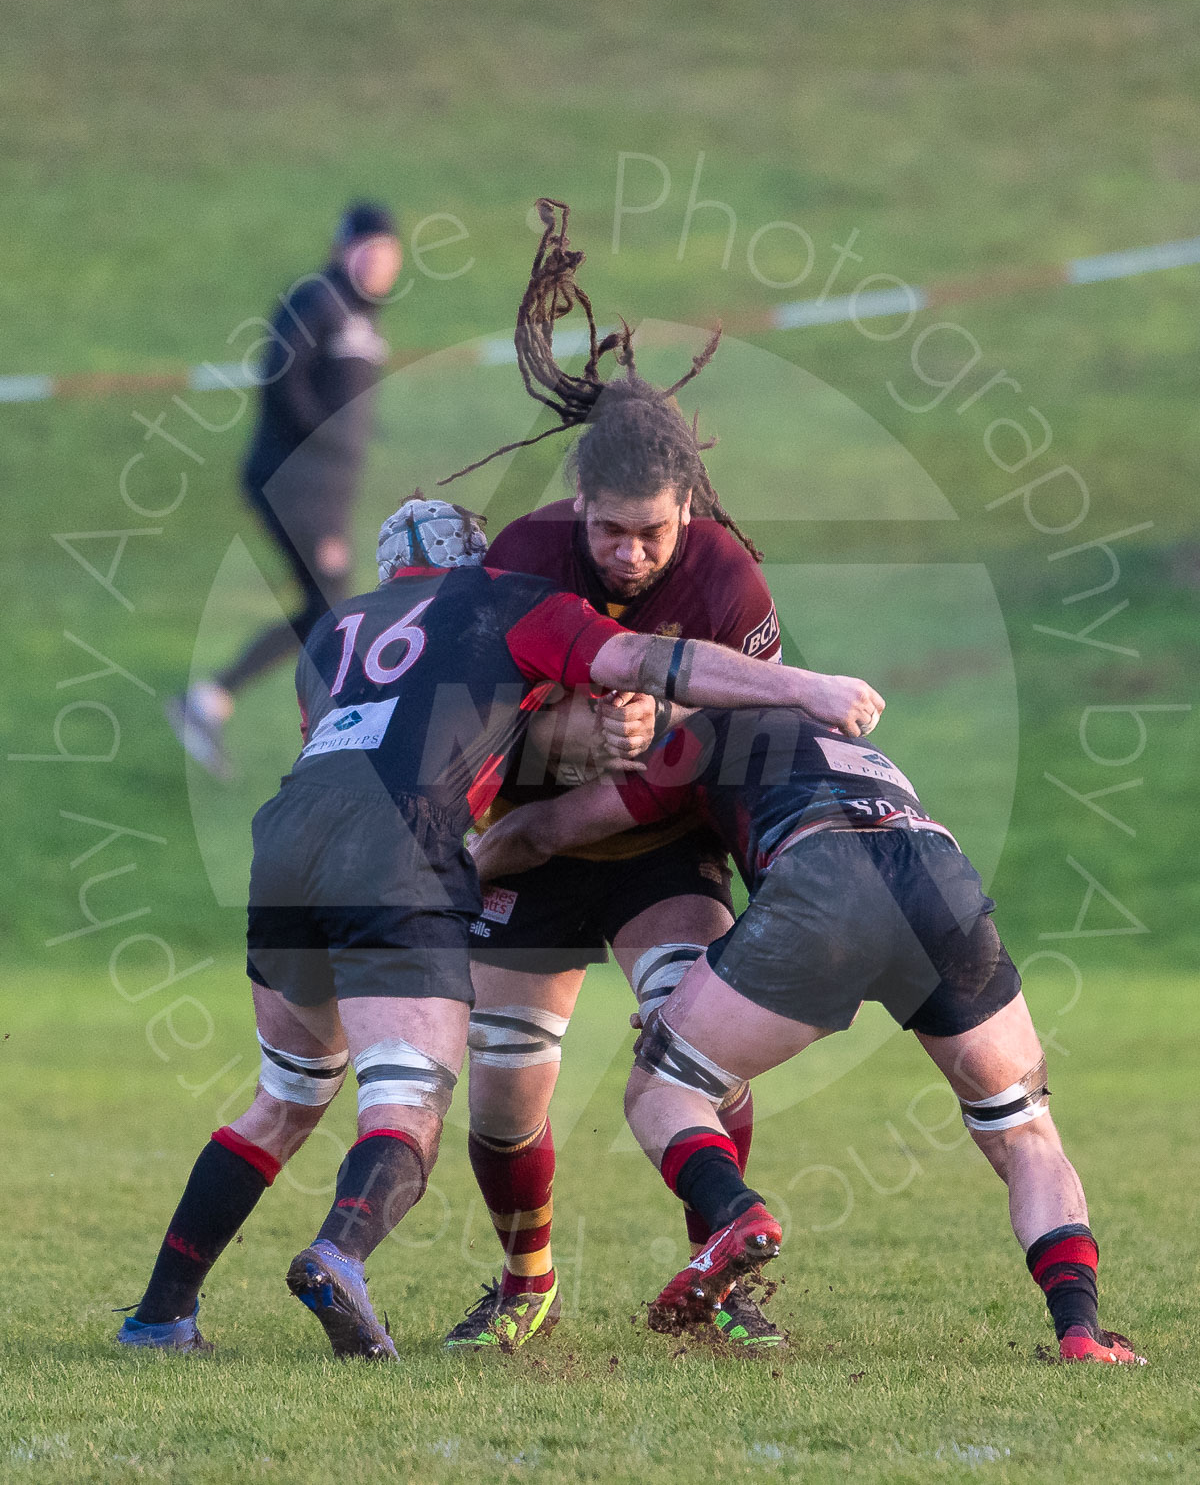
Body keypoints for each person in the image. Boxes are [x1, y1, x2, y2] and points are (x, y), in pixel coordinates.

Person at [117, 497, 884, 1358]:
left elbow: (377, 728)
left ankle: (161, 1315)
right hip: (404, 844)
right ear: (474, 559)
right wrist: (797, 688)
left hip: (288, 840)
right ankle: (342, 1253)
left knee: (289, 1093)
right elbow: (639, 661)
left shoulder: (332, 638)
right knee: (410, 1103)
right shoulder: (511, 598)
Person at [469, 706, 1147, 1365]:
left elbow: (546, 831)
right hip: (940, 881)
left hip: (827, 881)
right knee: (1024, 1131)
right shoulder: (835, 733)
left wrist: (444, 873)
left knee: (661, 1089)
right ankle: (1081, 1332)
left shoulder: (707, 731)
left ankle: (738, 1214)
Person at [438, 200, 812, 1354]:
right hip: (536, 851)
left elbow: (753, 751)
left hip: (658, 848)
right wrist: (559, 740)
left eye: (651, 534)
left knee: (696, 1045)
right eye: (610, 531)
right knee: (502, 1092)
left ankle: (726, 1278)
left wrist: (650, 750)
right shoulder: (523, 555)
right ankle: (527, 1284)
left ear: (688, 512)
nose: (630, 555)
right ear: (579, 507)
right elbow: (462, 733)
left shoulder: (730, 584)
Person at [168, 202, 402, 778]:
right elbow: (281, 381)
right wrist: (320, 449)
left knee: (325, 608)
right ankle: (356, 741)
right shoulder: (315, 300)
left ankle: (211, 702)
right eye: (368, 248)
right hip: (294, 482)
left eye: (389, 252)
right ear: (342, 248)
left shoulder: (364, 318)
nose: (378, 262)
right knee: (332, 608)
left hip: (324, 492)